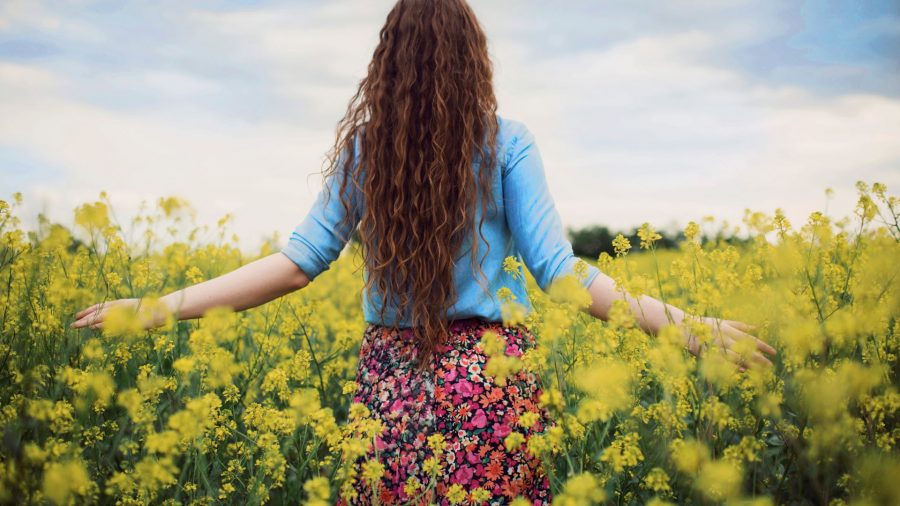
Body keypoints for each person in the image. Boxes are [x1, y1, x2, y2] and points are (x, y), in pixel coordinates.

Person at [71, 0, 776, 503]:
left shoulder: (364, 150)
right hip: (492, 382)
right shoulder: (507, 142)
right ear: (474, 60)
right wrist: (688, 327)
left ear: (390, 65)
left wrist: (154, 307)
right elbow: (562, 274)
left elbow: (294, 264)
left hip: (390, 382)